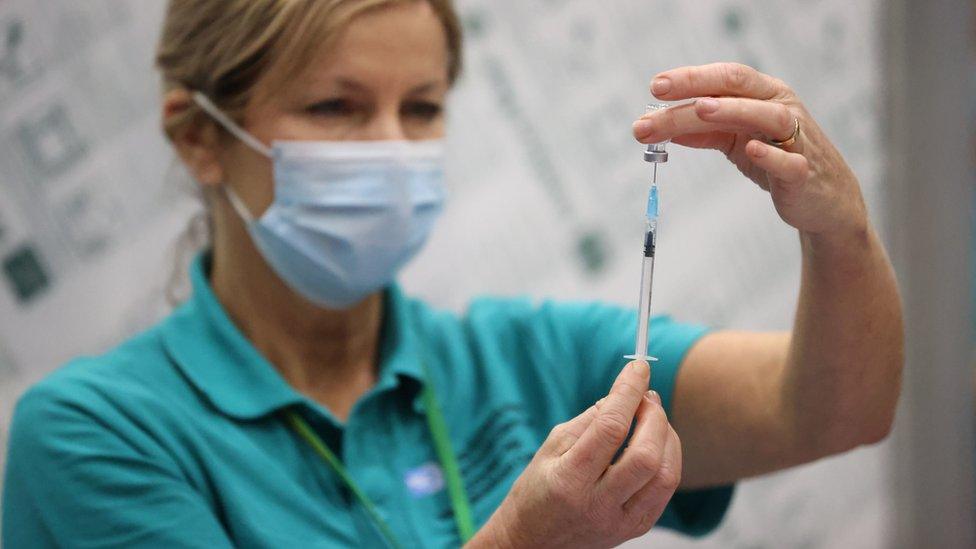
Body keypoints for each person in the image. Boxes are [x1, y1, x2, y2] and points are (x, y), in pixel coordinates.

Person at [1, 0, 903, 547]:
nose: (394, 147)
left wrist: (838, 229)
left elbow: (833, 409)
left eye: (422, 107)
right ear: (200, 136)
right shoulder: (93, 437)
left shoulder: (523, 359)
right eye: (336, 107)